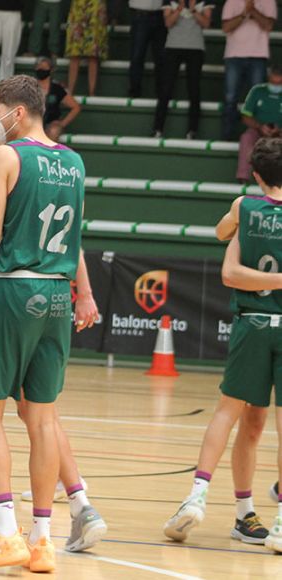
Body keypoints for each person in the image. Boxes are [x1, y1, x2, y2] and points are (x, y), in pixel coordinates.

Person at [0, 75, 88, 574]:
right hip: (57, 293)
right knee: (43, 418)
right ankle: (43, 539)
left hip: (13, 288)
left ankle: (4, 531)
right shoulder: (74, 162)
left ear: (17, 113)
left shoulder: (8, 157)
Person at [164, 137, 282, 552]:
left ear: (255, 175)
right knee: (262, 423)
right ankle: (268, 517)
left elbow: (220, 233)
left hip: (251, 322)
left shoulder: (244, 208)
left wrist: (241, 221)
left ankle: (200, 494)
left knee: (232, 414)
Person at [152, 0, 212, 139]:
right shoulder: (170, 1)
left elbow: (206, 23)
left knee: (194, 89)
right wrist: (179, 9)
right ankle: (158, 129)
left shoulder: (203, 2)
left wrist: (194, 10)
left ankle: (192, 130)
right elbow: (167, 23)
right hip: (173, 46)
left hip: (196, 48)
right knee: (165, 88)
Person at [220, 0, 277, 141]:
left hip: (258, 56)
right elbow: (226, 27)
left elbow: (268, 25)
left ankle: (257, 137)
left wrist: (253, 10)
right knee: (230, 98)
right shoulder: (231, 1)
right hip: (234, 55)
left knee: (258, 100)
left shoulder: (269, 1)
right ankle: (228, 137)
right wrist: (245, 13)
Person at [236, 67, 282, 182]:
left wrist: (279, 130)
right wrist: (259, 126)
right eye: (273, 82)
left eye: (279, 83)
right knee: (246, 137)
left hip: (280, 133)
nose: (275, 86)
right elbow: (246, 116)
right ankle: (243, 177)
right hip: (258, 130)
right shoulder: (257, 91)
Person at [65, 0, 109, 96]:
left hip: (95, 8)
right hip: (78, 9)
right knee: (74, 53)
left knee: (93, 56)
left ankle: (92, 92)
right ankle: (70, 91)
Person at [36, 57, 81, 140]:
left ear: (51, 70)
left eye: (44, 68)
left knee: (54, 131)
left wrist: (62, 124)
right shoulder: (30, 86)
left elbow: (76, 107)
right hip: (34, 123)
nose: (41, 69)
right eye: (39, 67)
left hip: (51, 123)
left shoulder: (57, 88)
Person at [128, 0, 166, 98]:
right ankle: (135, 91)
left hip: (161, 14)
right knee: (137, 56)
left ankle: (162, 94)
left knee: (161, 58)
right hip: (140, 14)